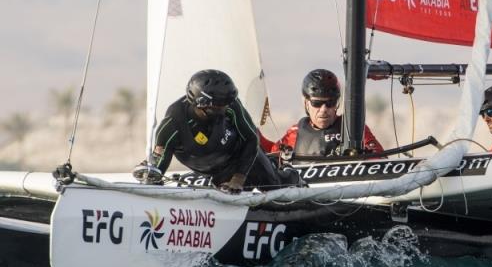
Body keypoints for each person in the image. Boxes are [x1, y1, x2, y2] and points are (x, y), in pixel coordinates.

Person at [136, 69, 286, 192]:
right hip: (218, 173)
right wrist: (152, 176)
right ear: (201, 103)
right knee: (231, 193)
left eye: (228, 102)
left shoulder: (232, 106)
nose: (226, 107)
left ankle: (289, 176)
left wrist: (238, 178)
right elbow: (159, 165)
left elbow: (252, 139)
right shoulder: (172, 125)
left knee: (275, 186)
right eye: (220, 104)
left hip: (246, 160)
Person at [260, 69, 383, 157]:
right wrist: (251, 132)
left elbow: (381, 160)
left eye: (330, 103)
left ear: (337, 103)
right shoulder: (295, 132)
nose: (324, 109)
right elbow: (270, 153)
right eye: (317, 103)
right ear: (305, 102)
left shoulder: (353, 128)